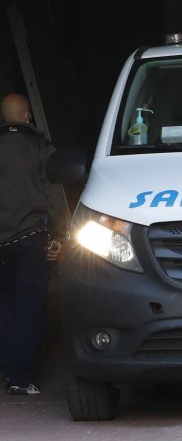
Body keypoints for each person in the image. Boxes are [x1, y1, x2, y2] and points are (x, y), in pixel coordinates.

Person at [0, 93, 67, 395]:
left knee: (5, 308)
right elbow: (54, 198)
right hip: (28, 240)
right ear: (28, 116)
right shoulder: (42, 148)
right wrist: (61, 235)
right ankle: (21, 377)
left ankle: (7, 368)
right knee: (30, 310)